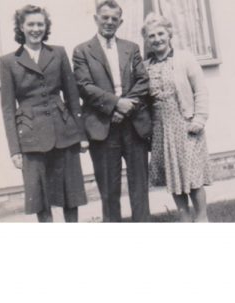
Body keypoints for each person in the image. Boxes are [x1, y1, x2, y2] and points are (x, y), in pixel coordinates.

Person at [0, 5, 88, 222]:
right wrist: (14, 149)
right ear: (22, 27)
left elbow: (72, 96)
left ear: (46, 27)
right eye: (31, 24)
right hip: (31, 137)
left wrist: (81, 134)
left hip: (63, 132)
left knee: (70, 193)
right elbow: (8, 108)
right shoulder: (9, 62)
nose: (36, 29)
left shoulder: (58, 53)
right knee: (40, 197)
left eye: (40, 24)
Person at [73, 0, 152, 222]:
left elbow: (143, 80)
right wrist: (116, 104)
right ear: (96, 19)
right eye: (105, 17)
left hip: (134, 124)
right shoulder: (82, 51)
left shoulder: (132, 47)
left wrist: (125, 107)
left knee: (140, 186)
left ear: (120, 22)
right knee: (109, 189)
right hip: (102, 126)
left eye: (114, 19)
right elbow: (84, 86)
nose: (109, 22)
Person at [141, 13, 212, 222]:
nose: (157, 39)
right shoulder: (146, 66)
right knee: (173, 176)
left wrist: (199, 118)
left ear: (169, 34)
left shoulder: (185, 58)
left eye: (161, 33)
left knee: (192, 177)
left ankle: (202, 219)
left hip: (187, 125)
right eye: (151, 36)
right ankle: (184, 219)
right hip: (161, 130)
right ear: (146, 39)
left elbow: (200, 90)